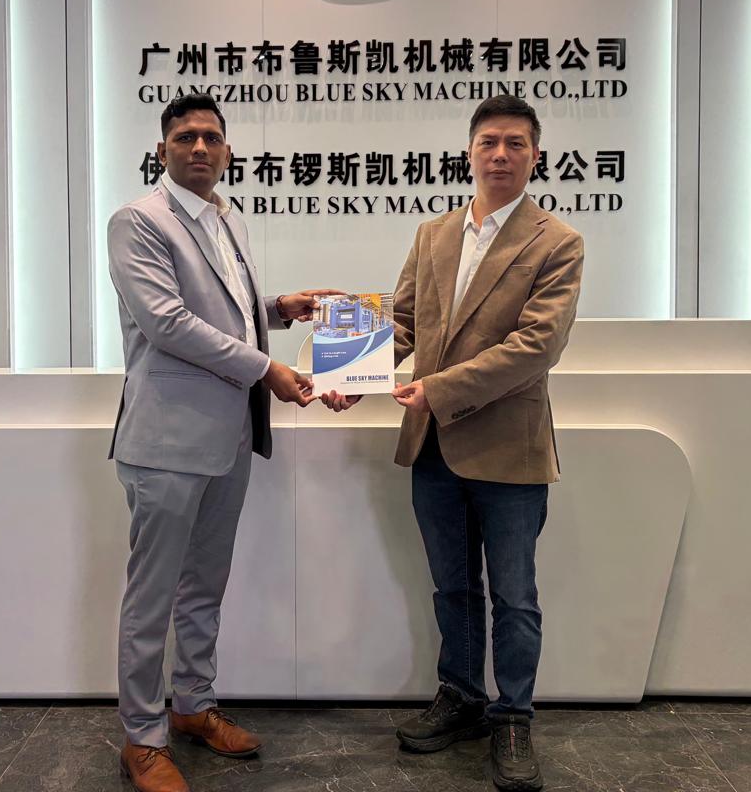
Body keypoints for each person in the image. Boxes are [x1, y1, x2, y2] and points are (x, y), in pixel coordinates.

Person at [327, 94, 583, 791]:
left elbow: (537, 346)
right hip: (434, 445)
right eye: (488, 142)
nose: (500, 155)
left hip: (508, 446)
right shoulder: (433, 233)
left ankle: (514, 717)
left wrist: (438, 388)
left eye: (515, 144)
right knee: (452, 588)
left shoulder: (557, 241)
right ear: (469, 152)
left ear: (535, 156)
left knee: (515, 597)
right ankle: (462, 696)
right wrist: (348, 375)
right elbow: (405, 322)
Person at [108, 93, 335, 792]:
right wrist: (268, 368)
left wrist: (278, 310)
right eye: (185, 137)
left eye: (211, 137)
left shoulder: (226, 218)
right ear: (162, 150)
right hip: (166, 443)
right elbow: (169, 323)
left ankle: (193, 705)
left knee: (204, 586)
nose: (200, 147)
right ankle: (142, 737)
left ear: (228, 151)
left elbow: (224, 313)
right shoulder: (138, 222)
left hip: (228, 437)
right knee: (152, 598)